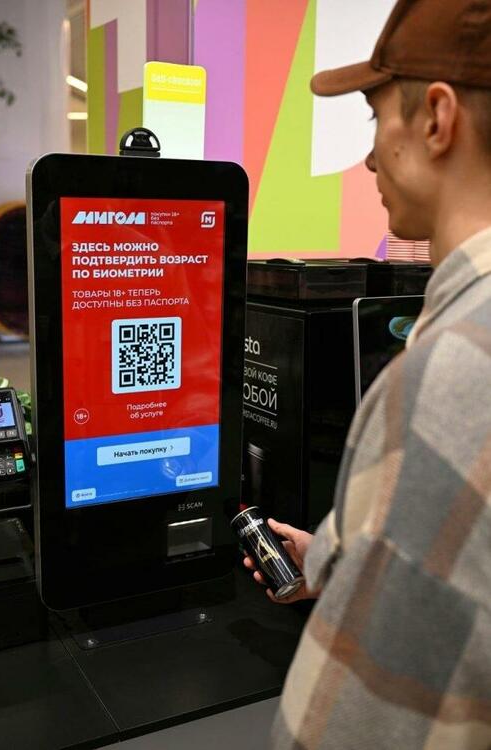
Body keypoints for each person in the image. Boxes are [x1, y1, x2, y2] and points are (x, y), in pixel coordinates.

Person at [244, 0, 491, 747]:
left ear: (437, 119)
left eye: (376, 118)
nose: (371, 159)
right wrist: (344, 558)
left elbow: (351, 721)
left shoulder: (450, 371)